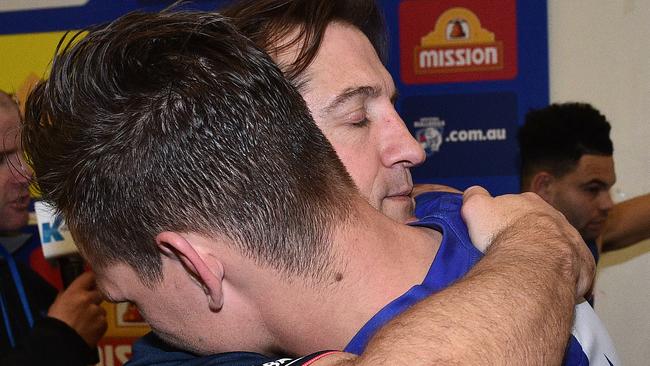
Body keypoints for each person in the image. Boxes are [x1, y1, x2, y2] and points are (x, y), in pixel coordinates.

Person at [21, 9, 608, 366]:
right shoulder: (510, 242)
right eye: (358, 114)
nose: (145, 322)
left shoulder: (518, 268)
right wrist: (540, 247)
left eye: (133, 299)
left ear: (197, 263)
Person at [0, 90, 107, 365]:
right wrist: (62, 337)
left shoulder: (12, 268)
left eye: (23, 152)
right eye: (1, 158)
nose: (26, 173)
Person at [519, 102, 650, 265]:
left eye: (607, 189)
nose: (608, 204)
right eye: (592, 189)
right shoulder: (501, 262)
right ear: (544, 187)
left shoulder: (586, 235)